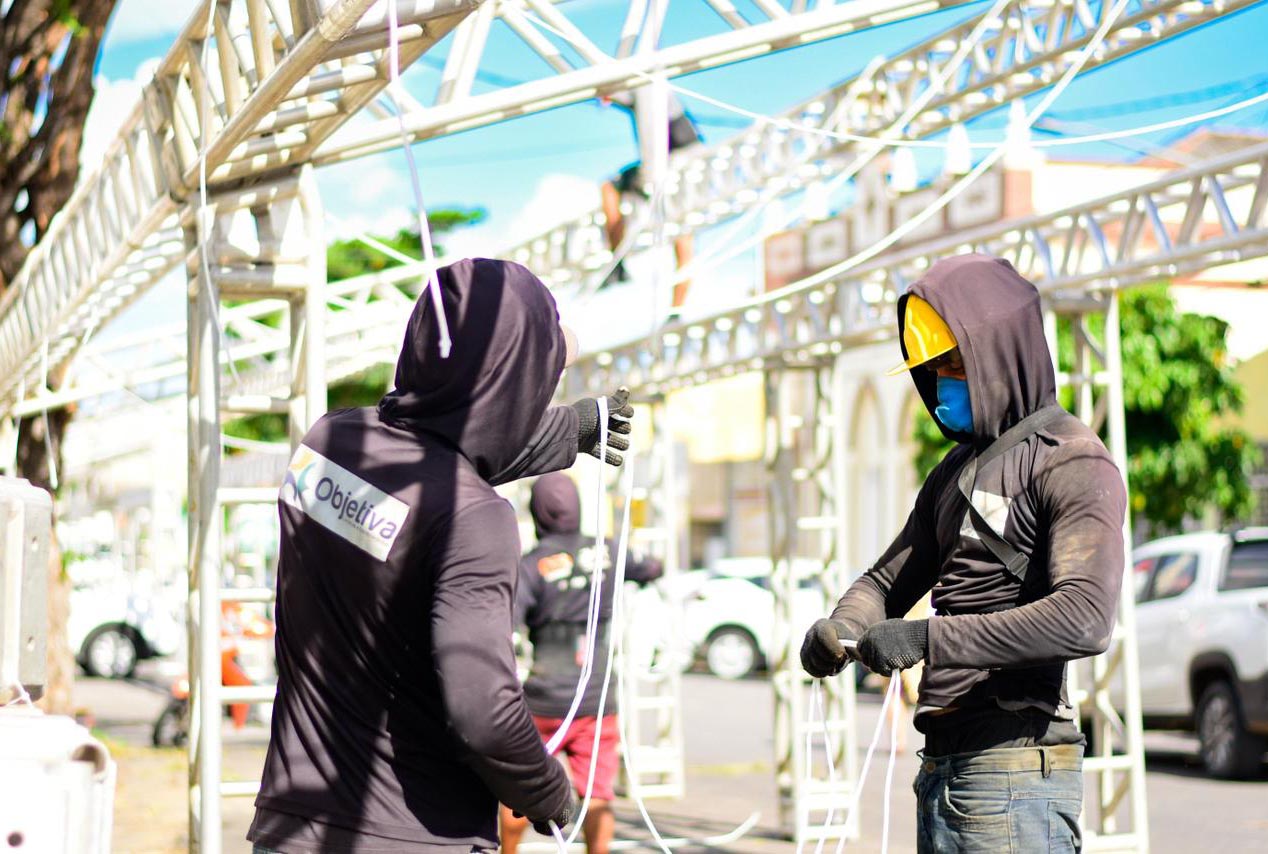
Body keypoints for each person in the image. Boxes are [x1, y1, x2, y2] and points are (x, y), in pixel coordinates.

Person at [248, 258, 636, 854]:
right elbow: (483, 712)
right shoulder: (478, 519)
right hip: (416, 836)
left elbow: (429, 459)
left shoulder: (326, 444)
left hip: (290, 827)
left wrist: (571, 429)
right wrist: (548, 793)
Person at [800, 254, 1126, 853]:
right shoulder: (952, 472)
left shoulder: (1071, 459)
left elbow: (1085, 617)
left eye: (952, 363)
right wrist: (842, 627)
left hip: (1014, 774)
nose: (940, 382)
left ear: (999, 350)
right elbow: (885, 581)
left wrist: (927, 640)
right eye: (930, 369)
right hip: (945, 771)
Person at [499, 473, 663, 854]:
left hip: (541, 702)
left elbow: (509, 626)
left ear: (537, 513)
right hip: (596, 699)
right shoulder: (607, 551)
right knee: (597, 792)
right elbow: (652, 567)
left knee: (519, 791)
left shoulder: (531, 565)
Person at [599, 89, 702, 309]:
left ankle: (676, 308)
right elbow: (623, 96)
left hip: (680, 166)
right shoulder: (640, 95)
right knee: (609, 187)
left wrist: (607, 91)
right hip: (658, 169)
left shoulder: (651, 89)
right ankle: (617, 264)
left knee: (683, 237)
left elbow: (630, 94)